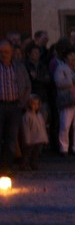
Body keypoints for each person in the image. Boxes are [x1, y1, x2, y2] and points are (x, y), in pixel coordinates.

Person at [0, 39, 31, 173]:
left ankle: (7, 167)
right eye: (1, 52)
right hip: (1, 105)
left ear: (12, 52)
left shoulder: (19, 67)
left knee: (11, 139)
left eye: (6, 52)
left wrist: (21, 103)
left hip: (14, 107)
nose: (4, 54)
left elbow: (27, 86)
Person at [20, 94, 47, 170]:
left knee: (35, 153)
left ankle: (33, 164)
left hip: (39, 138)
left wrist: (44, 138)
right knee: (27, 153)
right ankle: (24, 165)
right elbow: (26, 129)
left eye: (37, 104)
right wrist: (27, 140)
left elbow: (42, 127)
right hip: (31, 139)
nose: (35, 106)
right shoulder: (27, 116)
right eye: (33, 104)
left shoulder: (39, 115)